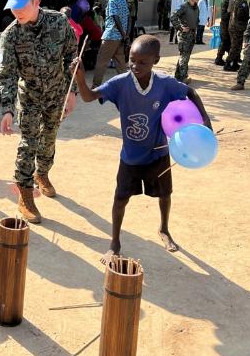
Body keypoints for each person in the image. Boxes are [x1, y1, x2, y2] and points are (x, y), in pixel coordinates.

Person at [70, 34, 212, 263]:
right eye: (131, 60)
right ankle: (114, 243)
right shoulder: (121, 83)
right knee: (120, 198)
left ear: (156, 60)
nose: (135, 66)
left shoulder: (165, 84)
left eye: (142, 62)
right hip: (131, 156)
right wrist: (79, 78)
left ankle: (164, 229)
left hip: (158, 153)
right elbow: (88, 97)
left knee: (165, 194)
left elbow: (189, 92)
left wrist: (205, 120)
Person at [0, 0, 78, 223]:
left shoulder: (59, 22)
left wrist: (71, 91)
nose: (17, 11)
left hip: (56, 94)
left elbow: (71, 57)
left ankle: (42, 174)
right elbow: (7, 74)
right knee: (28, 144)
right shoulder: (10, 35)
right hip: (29, 97)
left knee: (49, 139)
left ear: (36, 1)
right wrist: (8, 109)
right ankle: (25, 193)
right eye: (13, 7)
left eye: (22, 6)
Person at [91, 0, 130, 87]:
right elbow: (128, 17)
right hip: (120, 38)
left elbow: (115, 16)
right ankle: (128, 86)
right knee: (120, 63)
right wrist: (125, 35)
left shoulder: (112, 0)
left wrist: (123, 34)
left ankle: (96, 86)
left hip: (111, 36)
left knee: (101, 61)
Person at [170, 0, 200, 84]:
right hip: (184, 35)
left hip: (192, 34)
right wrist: (180, 28)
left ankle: (178, 76)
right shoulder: (184, 6)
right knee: (184, 56)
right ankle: (183, 78)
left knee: (185, 56)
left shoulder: (196, 7)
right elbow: (173, 17)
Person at [225, 0, 250, 71]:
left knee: (237, 46)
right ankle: (228, 64)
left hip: (233, 26)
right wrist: (247, 17)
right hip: (238, 28)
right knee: (235, 46)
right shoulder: (242, 1)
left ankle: (235, 64)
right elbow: (240, 15)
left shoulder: (236, 0)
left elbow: (230, 12)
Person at [214, 0, 238, 65]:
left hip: (225, 24)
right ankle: (219, 59)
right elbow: (228, 14)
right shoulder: (229, 1)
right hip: (226, 24)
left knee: (225, 42)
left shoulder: (227, 0)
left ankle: (221, 58)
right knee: (225, 41)